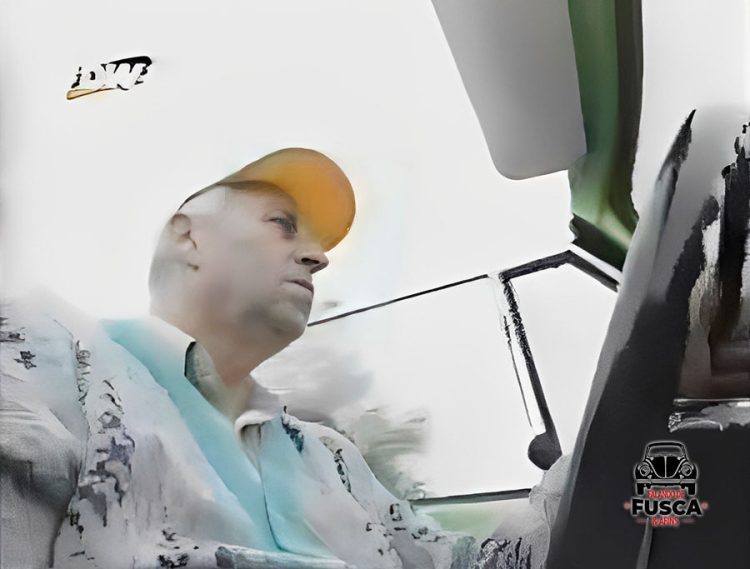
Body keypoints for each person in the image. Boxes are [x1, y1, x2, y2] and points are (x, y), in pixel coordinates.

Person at [0, 148, 475, 569]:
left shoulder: (332, 455)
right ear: (189, 238)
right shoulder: (43, 360)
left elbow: (449, 559)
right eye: (284, 224)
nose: (319, 258)